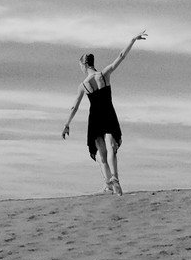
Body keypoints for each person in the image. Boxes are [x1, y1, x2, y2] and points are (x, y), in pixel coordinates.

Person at [62, 31, 147, 196]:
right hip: (108, 113)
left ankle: (108, 183)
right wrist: (132, 41)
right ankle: (114, 178)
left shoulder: (83, 85)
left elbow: (75, 107)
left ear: (84, 65)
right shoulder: (104, 74)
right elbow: (121, 57)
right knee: (111, 147)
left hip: (95, 118)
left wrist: (67, 124)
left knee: (101, 152)